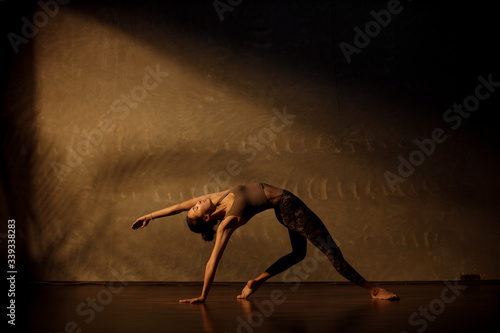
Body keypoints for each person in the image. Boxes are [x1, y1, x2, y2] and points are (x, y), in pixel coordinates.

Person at [131, 183, 399, 303]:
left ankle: (256, 282)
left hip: (284, 208)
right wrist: (203, 296)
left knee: (298, 254)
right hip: (289, 207)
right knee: (332, 251)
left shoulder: (214, 198)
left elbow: (178, 206)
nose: (196, 203)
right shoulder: (228, 221)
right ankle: (373, 290)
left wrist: (149, 216)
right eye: (197, 209)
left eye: (196, 205)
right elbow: (214, 259)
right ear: (207, 218)